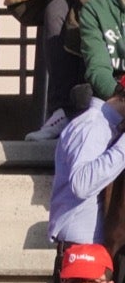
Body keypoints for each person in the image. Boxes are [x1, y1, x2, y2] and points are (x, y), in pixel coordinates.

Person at [49, 77, 125, 268]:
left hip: (96, 252)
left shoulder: (108, 127)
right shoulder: (92, 125)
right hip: (80, 252)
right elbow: (81, 184)